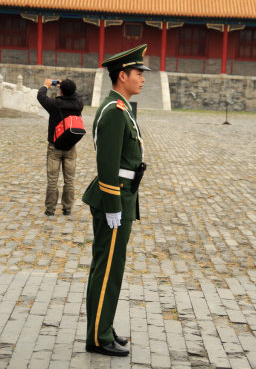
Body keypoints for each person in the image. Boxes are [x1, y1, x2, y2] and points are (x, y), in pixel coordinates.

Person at [82, 44, 150, 356]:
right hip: (116, 199)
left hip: (123, 197)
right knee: (106, 269)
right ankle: (98, 336)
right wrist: (112, 206)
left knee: (113, 267)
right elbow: (107, 165)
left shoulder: (121, 107)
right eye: (139, 73)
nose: (143, 79)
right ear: (122, 75)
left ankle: (104, 327)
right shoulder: (113, 111)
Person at [37, 78, 83, 216]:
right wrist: (67, 86)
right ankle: (67, 207)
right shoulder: (79, 103)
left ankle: (50, 209)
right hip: (71, 146)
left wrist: (45, 85)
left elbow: (41, 96)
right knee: (69, 179)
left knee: (52, 179)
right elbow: (77, 95)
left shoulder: (55, 104)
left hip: (54, 146)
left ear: (61, 90)